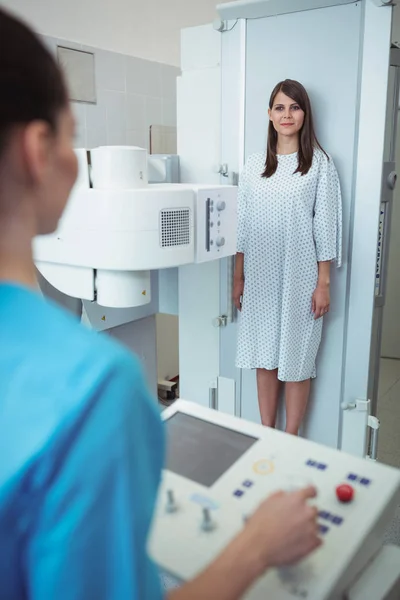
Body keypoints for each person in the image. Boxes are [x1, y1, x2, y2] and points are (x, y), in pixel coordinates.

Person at [0, 10, 322, 600]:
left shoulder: (315, 167)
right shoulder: (92, 389)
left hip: (297, 275)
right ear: (36, 151)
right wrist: (256, 547)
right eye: (72, 136)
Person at [234, 79, 342, 435]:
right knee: (264, 354)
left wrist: (323, 283)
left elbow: (325, 227)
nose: (287, 114)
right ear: (269, 114)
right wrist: (238, 277)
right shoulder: (253, 165)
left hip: (300, 277)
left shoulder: (320, 165)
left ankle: (291, 438)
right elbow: (242, 225)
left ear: (304, 114)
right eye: (280, 107)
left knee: (297, 359)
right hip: (260, 275)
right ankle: (266, 433)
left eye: (294, 107)